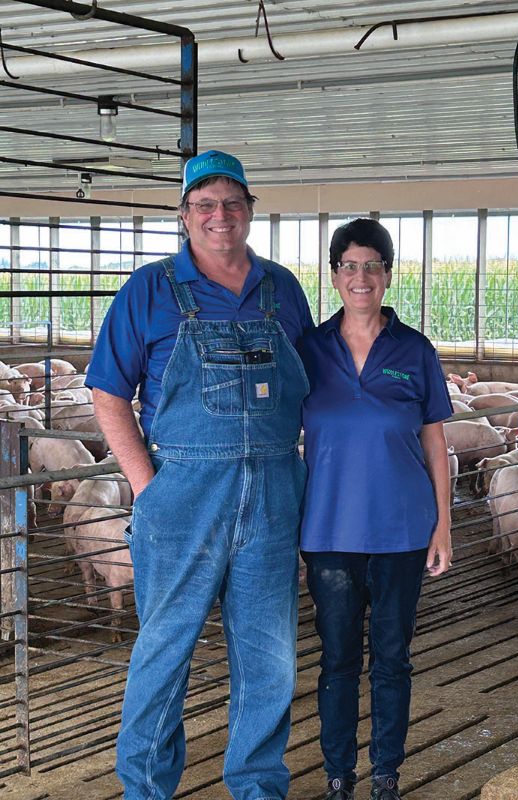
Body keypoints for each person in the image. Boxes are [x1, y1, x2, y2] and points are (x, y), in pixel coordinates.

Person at [85, 149, 313, 800]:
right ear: (185, 214)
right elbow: (106, 392)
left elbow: (315, 392)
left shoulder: (283, 290)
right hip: (182, 493)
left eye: (233, 204)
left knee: (269, 658)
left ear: (249, 213)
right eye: (205, 204)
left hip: (273, 490)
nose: (220, 216)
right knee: (164, 651)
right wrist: (149, 486)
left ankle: (258, 788)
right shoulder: (149, 291)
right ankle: (147, 789)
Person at [298, 218, 453, 800]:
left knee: (392, 658)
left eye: (372, 265)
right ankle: (339, 776)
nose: (361, 277)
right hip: (329, 533)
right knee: (337, 660)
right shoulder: (309, 349)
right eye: (349, 266)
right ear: (335, 275)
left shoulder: (413, 350)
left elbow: (435, 439)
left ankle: (386, 775)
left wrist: (443, 524)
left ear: (387, 275)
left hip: (403, 532)